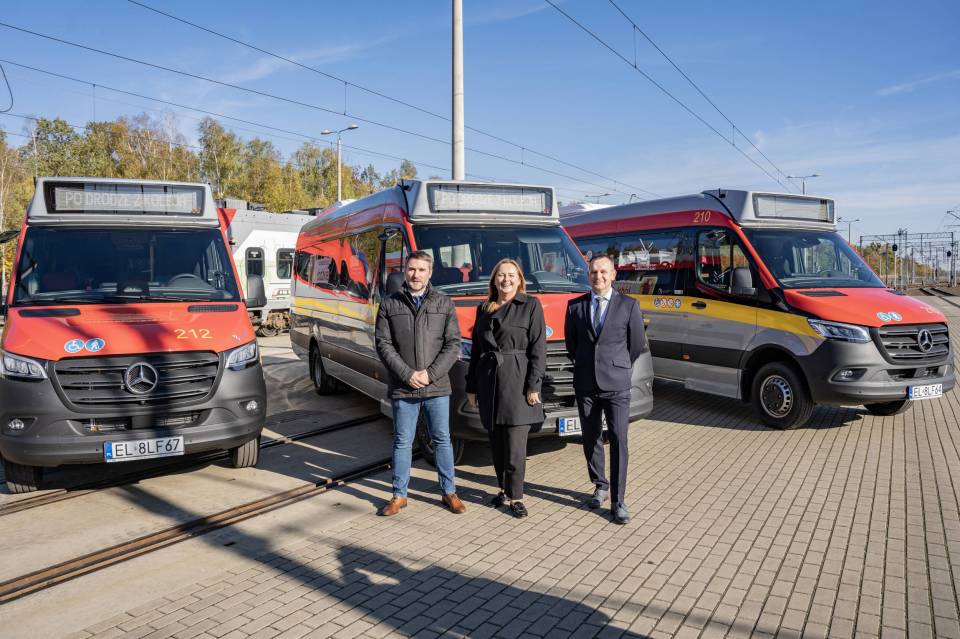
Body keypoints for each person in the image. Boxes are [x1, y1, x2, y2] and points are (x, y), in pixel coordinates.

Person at [375, 250, 466, 516]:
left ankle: (449, 492)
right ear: (405, 271)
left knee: (442, 440)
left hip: (436, 386)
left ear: (430, 272)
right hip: (404, 387)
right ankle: (399, 495)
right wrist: (407, 374)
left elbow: (453, 344)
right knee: (403, 441)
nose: (415, 274)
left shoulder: (443, 302)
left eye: (421, 270)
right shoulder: (390, 303)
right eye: (411, 269)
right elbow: (383, 344)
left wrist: (430, 373)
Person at [564, 254, 648, 524]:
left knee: (619, 440)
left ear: (614, 275)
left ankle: (618, 500)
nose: (598, 277)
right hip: (586, 383)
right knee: (590, 438)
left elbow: (635, 345)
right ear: (588, 275)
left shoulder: (629, 306)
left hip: (617, 384)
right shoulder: (574, 307)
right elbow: (572, 346)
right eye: (593, 272)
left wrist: (618, 366)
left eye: (603, 272)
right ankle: (600, 485)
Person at [466, 258, 546, 519]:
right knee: (496, 441)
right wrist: (472, 387)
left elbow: (538, 349)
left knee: (514, 445)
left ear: (519, 279)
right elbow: (477, 350)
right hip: (489, 380)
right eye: (501, 275)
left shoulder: (531, 305)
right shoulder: (484, 308)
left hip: (518, 379)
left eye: (511, 275)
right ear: (494, 280)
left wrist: (534, 385)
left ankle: (517, 497)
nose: (506, 280)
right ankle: (502, 489)